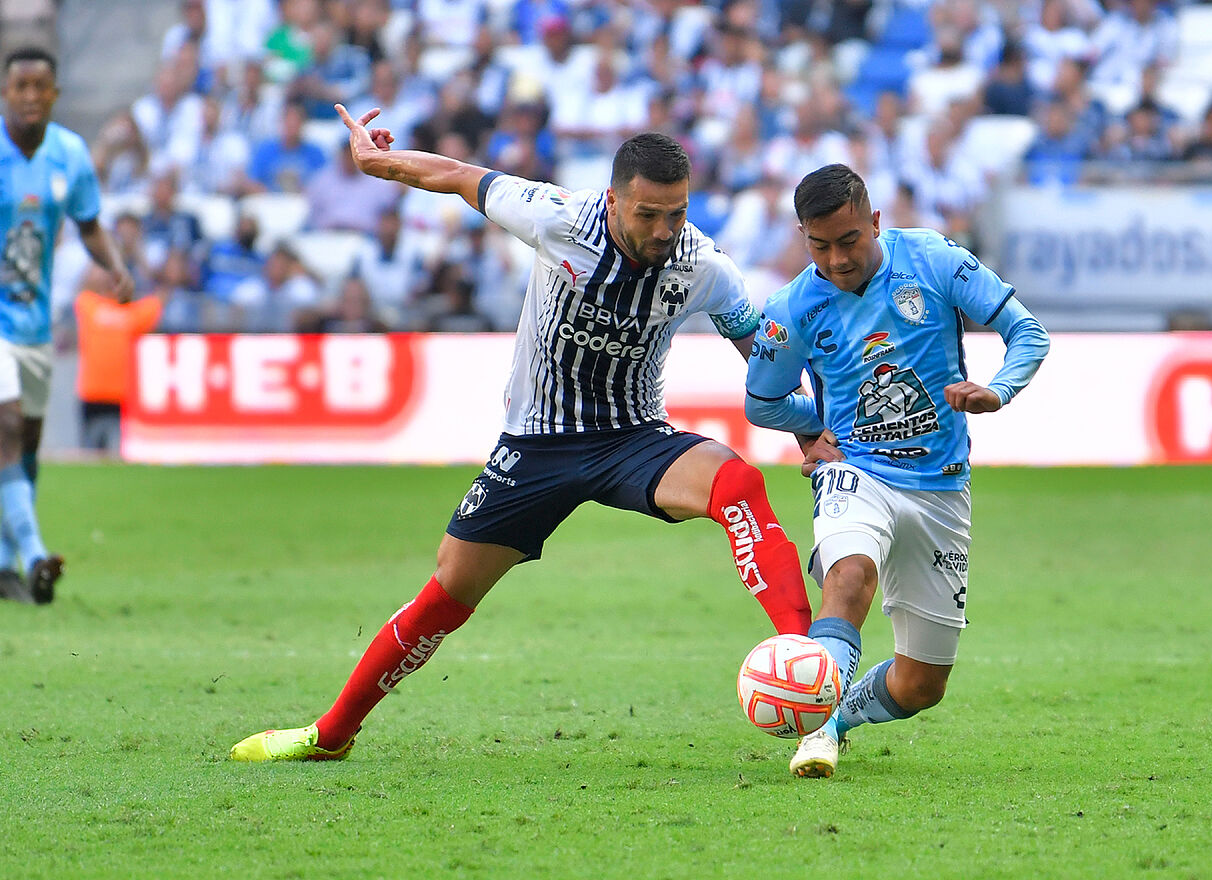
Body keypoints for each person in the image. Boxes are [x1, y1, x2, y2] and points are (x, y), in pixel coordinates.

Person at [228, 107, 814, 762]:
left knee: (736, 480)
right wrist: (374, 162)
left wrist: (808, 434)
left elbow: (761, 360)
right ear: (614, 199)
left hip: (633, 435)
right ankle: (331, 733)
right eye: (648, 214)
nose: (664, 230)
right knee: (446, 595)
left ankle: (807, 677)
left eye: (676, 213)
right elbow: (455, 175)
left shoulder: (704, 265)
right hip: (536, 443)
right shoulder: (555, 216)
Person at [742, 164, 1049, 778]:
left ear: (875, 222)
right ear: (803, 235)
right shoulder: (793, 307)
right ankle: (819, 724)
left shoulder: (932, 260)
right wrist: (817, 427)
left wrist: (998, 390)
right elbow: (761, 401)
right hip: (856, 472)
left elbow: (1027, 332)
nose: (835, 259)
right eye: (819, 245)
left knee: (920, 685)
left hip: (941, 490)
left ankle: (841, 714)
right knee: (850, 578)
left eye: (849, 240)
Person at [0, 47, 134, 604]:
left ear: (54, 94)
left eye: (40, 87)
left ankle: (7, 565)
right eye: (20, 87)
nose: (30, 96)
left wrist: (116, 266)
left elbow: (89, 224)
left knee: (25, 445)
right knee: (6, 429)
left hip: (33, 324)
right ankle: (34, 554)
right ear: (6, 93)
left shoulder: (68, 154)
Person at [73, 265, 162, 452]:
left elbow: (156, 302)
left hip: (121, 395)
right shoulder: (91, 305)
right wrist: (103, 269)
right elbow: (82, 291)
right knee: (90, 450)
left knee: (118, 452)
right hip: (92, 392)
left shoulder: (133, 312)